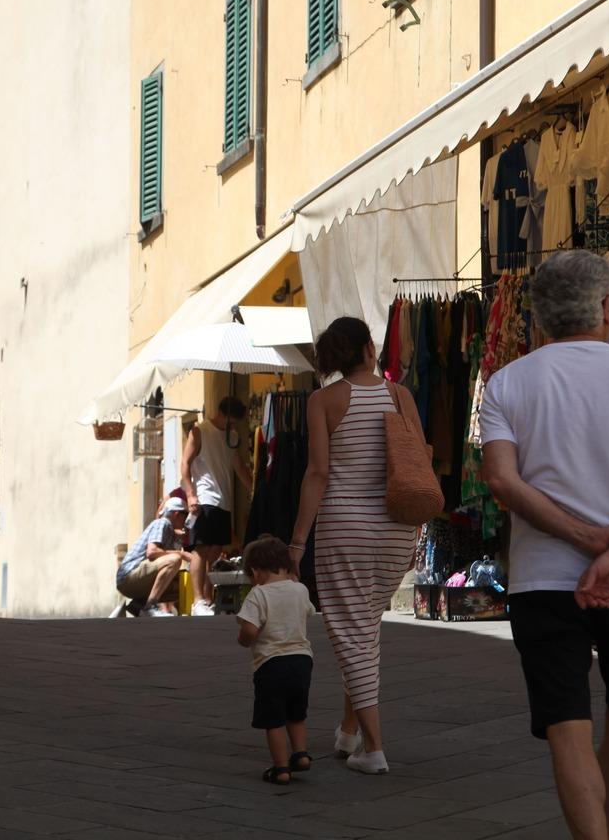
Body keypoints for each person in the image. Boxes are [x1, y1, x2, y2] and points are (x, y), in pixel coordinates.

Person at [479, 250, 609, 840]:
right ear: (605, 307)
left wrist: (583, 538)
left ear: (541, 315)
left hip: (542, 578)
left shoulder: (507, 383)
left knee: (565, 725)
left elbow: (501, 480)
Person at [289, 316, 438, 775]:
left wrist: (297, 542)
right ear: (371, 349)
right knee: (365, 627)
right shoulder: (400, 395)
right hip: (395, 529)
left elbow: (318, 473)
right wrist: (416, 531)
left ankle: (373, 748)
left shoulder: (323, 401)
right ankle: (349, 730)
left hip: (345, 532)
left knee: (351, 633)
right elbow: (420, 459)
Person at [236, 536, 315, 786]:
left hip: (271, 664)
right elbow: (308, 611)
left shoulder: (258, 595)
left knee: (274, 720)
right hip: (302, 661)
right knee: (296, 714)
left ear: (255, 571)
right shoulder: (300, 590)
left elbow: (249, 631)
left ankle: (281, 768)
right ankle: (300, 754)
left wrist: (244, 639)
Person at [182, 396, 253, 616]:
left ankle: (207, 598)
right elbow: (185, 463)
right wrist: (191, 495)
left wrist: (254, 489)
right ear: (222, 414)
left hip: (224, 500)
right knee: (201, 549)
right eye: (231, 421)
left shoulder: (232, 437)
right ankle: (197, 601)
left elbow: (238, 466)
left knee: (215, 551)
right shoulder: (199, 431)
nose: (233, 426)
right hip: (205, 497)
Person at [116, 496, 192, 616]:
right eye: (186, 514)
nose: (186, 519)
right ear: (177, 514)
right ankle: (150, 606)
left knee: (182, 584)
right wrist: (181, 554)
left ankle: (138, 605)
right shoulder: (162, 523)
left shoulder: (170, 529)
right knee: (174, 560)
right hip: (128, 577)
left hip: (133, 580)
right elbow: (152, 552)